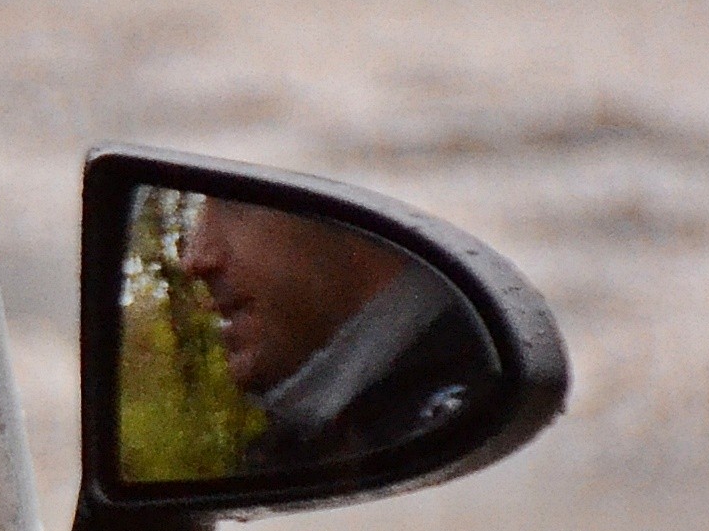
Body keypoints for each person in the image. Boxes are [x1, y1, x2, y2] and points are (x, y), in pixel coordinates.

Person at [173, 193, 494, 470]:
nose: (194, 259)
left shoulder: (470, 409)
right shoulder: (319, 431)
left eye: (236, 204)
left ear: (351, 215)